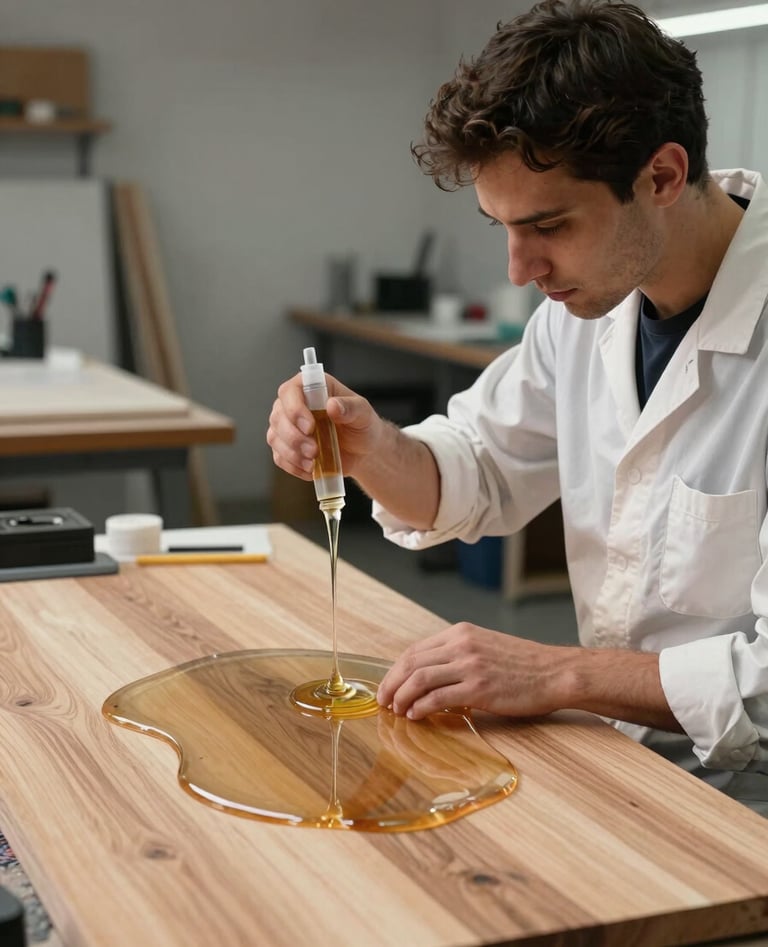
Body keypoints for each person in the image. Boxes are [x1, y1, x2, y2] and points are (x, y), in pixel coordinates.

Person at [268, 0, 768, 812]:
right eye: (500, 226)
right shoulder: (584, 318)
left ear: (663, 176)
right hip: (627, 756)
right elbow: (476, 471)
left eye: (548, 225)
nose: (519, 268)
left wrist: (556, 673)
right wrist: (367, 444)